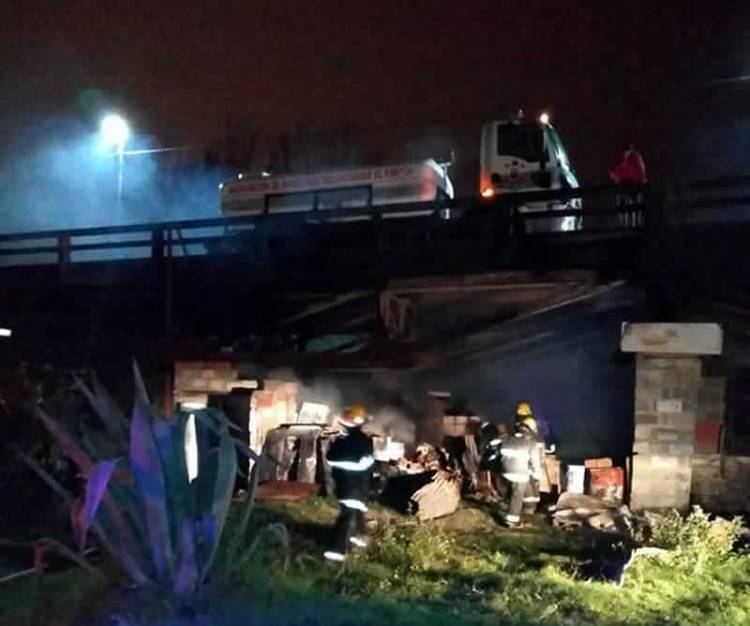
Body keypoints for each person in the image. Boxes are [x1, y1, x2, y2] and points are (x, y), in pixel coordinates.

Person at [324, 404, 375, 563]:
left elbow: (331, 458)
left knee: (356, 516)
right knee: (347, 518)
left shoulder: (340, 441)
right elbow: (365, 463)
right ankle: (335, 553)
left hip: (346, 486)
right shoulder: (364, 441)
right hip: (356, 487)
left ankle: (358, 542)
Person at [496, 417, 542, 527]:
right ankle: (512, 520)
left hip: (504, 471)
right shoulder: (531, 443)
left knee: (514, 490)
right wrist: (537, 475)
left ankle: (523, 507)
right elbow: (535, 462)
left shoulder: (508, 438)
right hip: (519, 474)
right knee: (518, 494)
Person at [609, 142, 647, 227]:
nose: (625, 153)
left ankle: (634, 226)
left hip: (634, 188)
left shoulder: (634, 158)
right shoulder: (624, 160)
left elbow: (639, 173)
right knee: (627, 210)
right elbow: (613, 173)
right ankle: (626, 226)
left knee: (635, 209)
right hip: (626, 188)